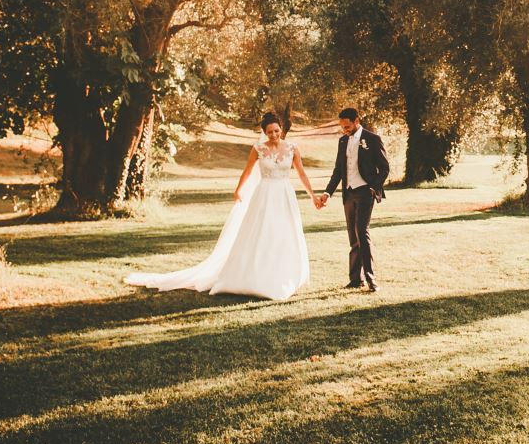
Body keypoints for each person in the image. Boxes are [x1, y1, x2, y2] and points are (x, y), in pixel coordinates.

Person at [126, 112, 315, 301]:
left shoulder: (292, 148)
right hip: (264, 196)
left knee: (283, 233)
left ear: (281, 129)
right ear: (264, 132)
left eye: (276, 131)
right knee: (262, 233)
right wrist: (238, 190)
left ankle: (283, 276)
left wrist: (312, 195)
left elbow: (302, 174)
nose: (274, 135)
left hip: (284, 196)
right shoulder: (258, 148)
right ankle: (255, 277)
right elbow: (247, 171)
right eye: (270, 132)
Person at [315, 107, 389, 291]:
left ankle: (371, 279)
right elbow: (338, 171)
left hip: (365, 192)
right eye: (342, 127)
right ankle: (356, 279)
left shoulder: (372, 139)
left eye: (347, 126)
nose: (345, 130)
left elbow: (385, 168)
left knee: (362, 233)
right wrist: (327, 193)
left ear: (357, 121)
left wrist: (373, 188)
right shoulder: (342, 141)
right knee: (353, 237)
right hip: (348, 194)